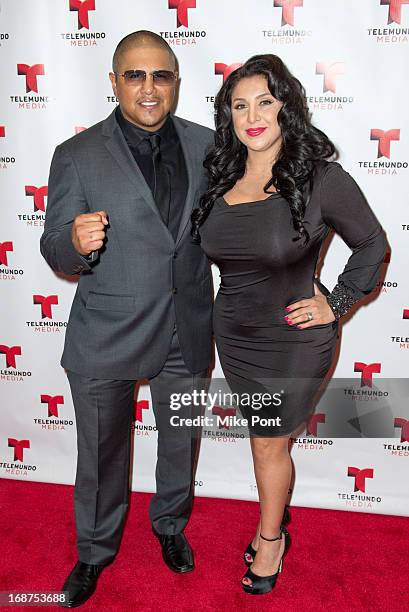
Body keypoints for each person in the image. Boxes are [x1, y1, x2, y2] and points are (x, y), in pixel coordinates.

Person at [193, 54, 387, 595]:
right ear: (227, 115)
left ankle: (271, 537)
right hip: (233, 334)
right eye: (240, 105)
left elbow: (372, 243)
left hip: (295, 339)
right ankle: (276, 522)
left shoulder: (321, 178)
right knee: (263, 439)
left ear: (286, 109)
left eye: (265, 102)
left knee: (267, 443)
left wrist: (339, 300)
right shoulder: (220, 176)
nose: (252, 115)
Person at [40, 31, 214, 608]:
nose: (148, 88)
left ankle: (170, 525)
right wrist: (73, 241)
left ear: (175, 84)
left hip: (186, 325)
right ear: (114, 82)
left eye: (160, 75)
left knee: (180, 441)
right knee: (101, 453)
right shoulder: (78, 154)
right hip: (106, 331)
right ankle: (93, 553)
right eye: (135, 75)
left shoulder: (209, 147)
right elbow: (53, 249)